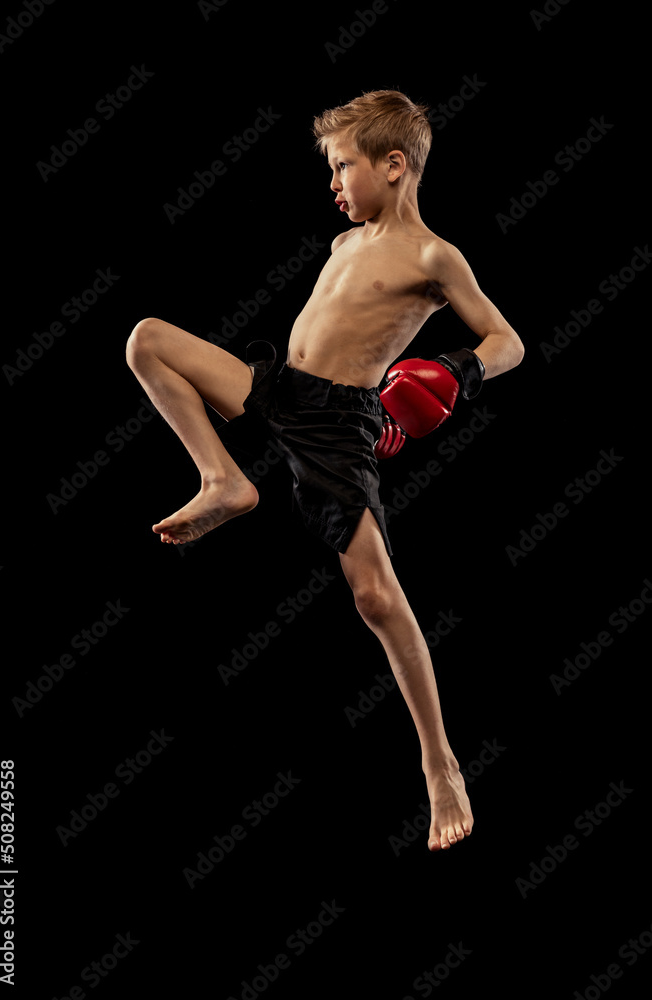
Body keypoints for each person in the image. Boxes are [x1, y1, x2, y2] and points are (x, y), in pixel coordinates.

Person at [125, 90, 524, 851]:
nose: (333, 182)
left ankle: (438, 762)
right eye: (333, 166)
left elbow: (508, 340)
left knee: (375, 596)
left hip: (339, 426)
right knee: (147, 339)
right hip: (282, 389)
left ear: (395, 164)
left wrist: (456, 372)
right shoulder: (344, 245)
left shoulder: (433, 255)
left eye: (343, 165)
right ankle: (224, 480)